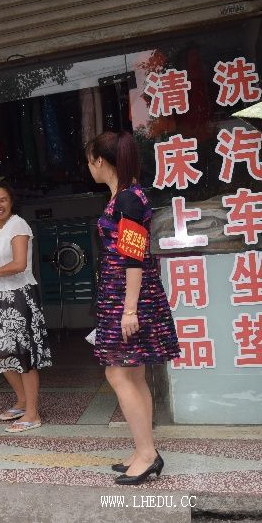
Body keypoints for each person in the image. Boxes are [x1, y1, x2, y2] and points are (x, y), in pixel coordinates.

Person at [86, 131, 179, 486]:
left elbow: (134, 258)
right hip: (123, 297)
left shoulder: (127, 198)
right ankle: (143, 450)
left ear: (99, 161)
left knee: (118, 374)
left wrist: (129, 310)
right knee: (133, 374)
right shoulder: (125, 196)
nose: (89, 167)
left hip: (127, 299)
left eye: (89, 161)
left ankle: (147, 454)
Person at [0, 181, 51, 433]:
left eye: (3, 200)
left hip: (20, 295)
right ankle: (22, 401)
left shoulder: (19, 225)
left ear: (11, 202)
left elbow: (19, 264)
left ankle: (32, 414)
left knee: (24, 355)